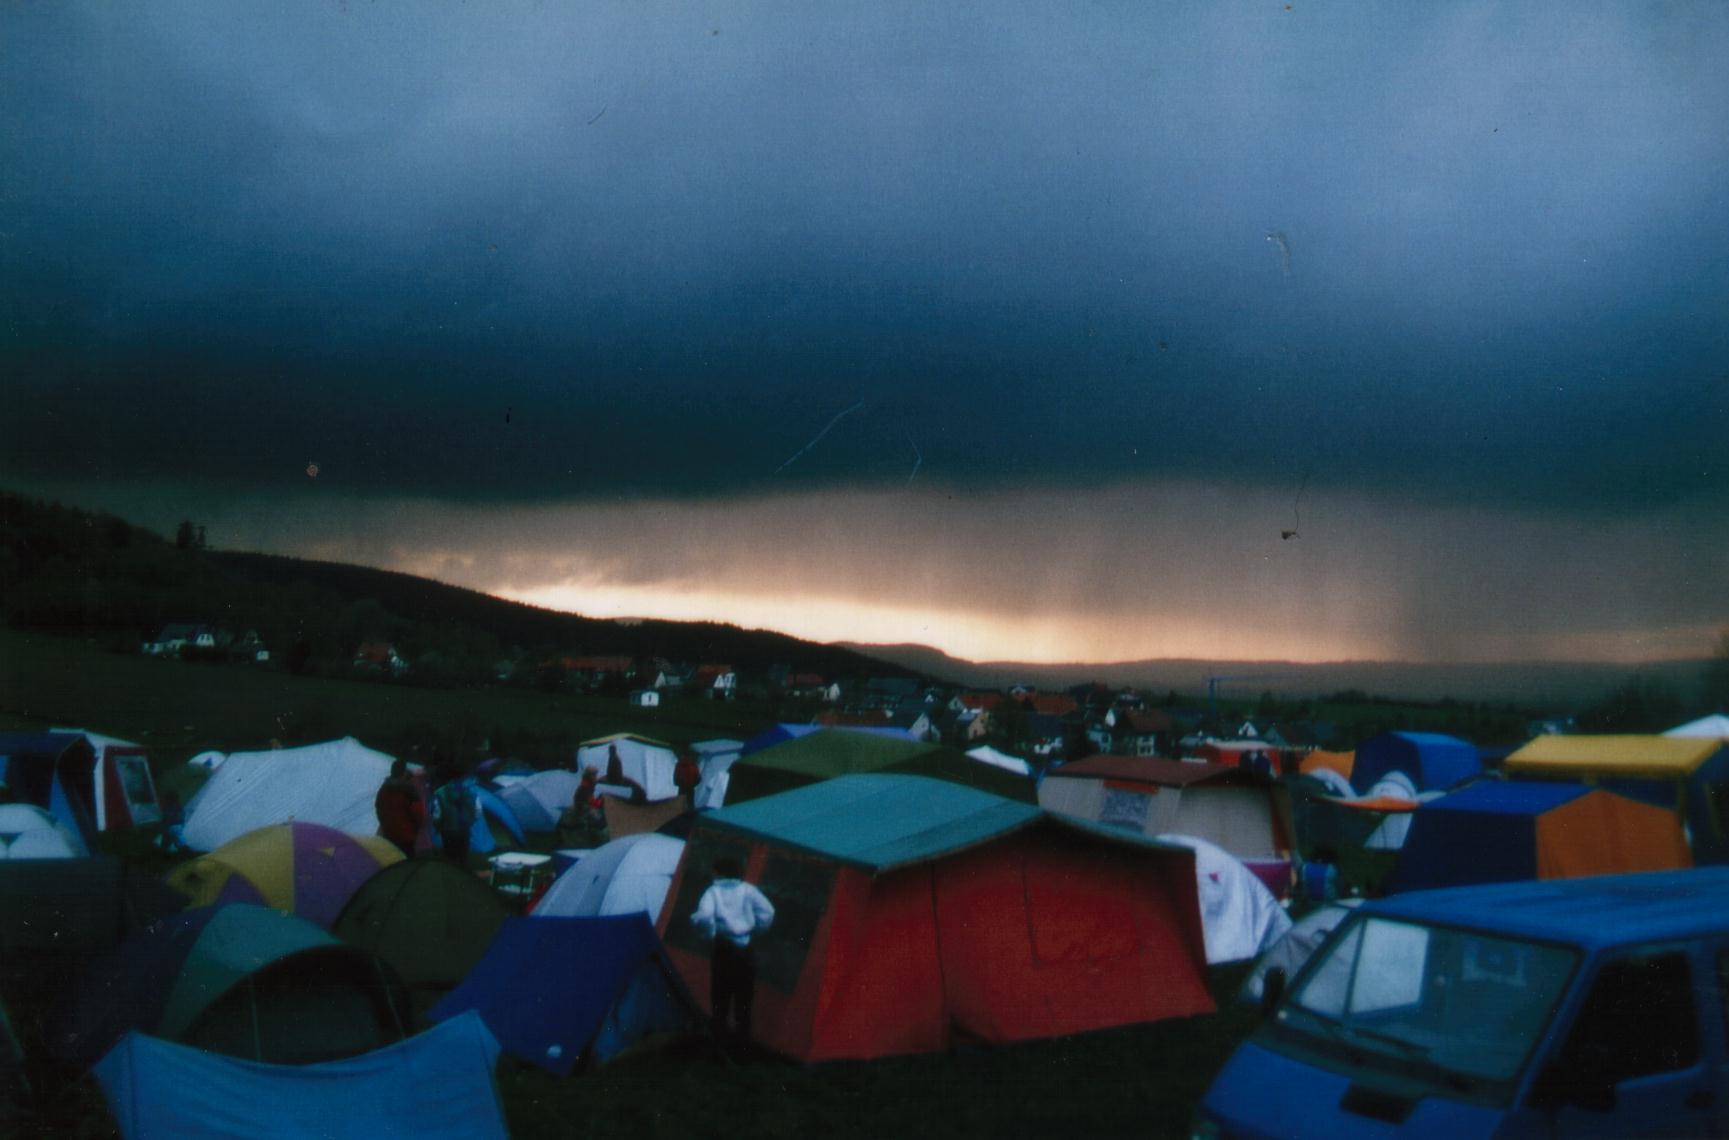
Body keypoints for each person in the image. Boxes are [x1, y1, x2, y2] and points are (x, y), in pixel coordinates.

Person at [691, 855, 775, 1042]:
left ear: (718, 873)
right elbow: (768, 912)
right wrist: (757, 930)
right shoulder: (749, 890)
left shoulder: (713, 892)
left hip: (724, 948)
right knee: (744, 999)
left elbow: (704, 916)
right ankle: (742, 1045)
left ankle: (718, 1043)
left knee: (720, 998)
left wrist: (709, 933)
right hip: (746, 948)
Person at [374, 758, 424, 858]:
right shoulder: (409, 790)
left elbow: (379, 810)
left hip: (389, 834)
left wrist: (385, 826)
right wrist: (415, 828)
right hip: (406, 836)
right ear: (404, 773)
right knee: (408, 860)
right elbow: (419, 813)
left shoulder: (383, 789)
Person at [431, 767, 477, 866]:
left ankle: (451, 873)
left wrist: (438, 826)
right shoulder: (469, 791)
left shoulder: (439, 792)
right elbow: (476, 811)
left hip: (447, 829)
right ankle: (462, 872)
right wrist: (470, 822)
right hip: (464, 828)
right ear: (463, 777)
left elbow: (436, 814)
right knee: (462, 857)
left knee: (450, 857)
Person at [556, 768, 610, 849]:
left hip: (568, 846)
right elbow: (587, 801)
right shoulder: (585, 788)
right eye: (595, 776)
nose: (596, 779)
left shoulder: (586, 787)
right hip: (584, 845)